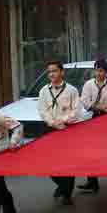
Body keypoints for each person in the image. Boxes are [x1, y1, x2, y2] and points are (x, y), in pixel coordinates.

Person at [37, 61, 81, 204]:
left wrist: (63, 121)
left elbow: (76, 111)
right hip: (50, 128)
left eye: (54, 71)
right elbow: (42, 110)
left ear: (62, 72)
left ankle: (67, 194)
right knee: (48, 163)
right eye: (49, 72)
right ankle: (62, 186)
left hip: (67, 129)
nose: (51, 74)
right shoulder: (44, 91)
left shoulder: (72, 90)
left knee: (67, 162)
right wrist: (53, 122)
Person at [78, 59, 107, 194]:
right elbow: (84, 101)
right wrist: (98, 106)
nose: (98, 73)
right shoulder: (89, 85)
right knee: (90, 150)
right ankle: (92, 182)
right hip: (95, 118)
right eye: (96, 70)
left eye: (101, 71)